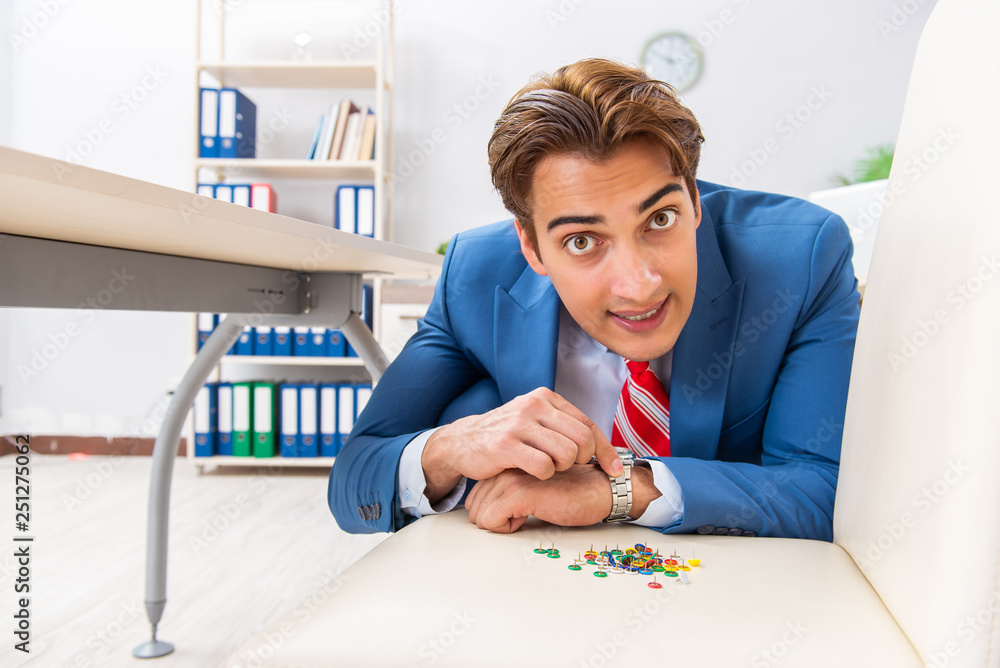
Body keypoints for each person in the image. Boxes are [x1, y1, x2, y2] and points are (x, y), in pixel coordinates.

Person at [328, 58, 860, 541]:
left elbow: (824, 492)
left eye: (660, 219)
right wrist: (448, 449)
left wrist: (618, 491)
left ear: (695, 202)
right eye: (582, 241)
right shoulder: (475, 274)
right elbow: (354, 482)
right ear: (532, 247)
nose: (639, 283)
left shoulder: (801, 259)